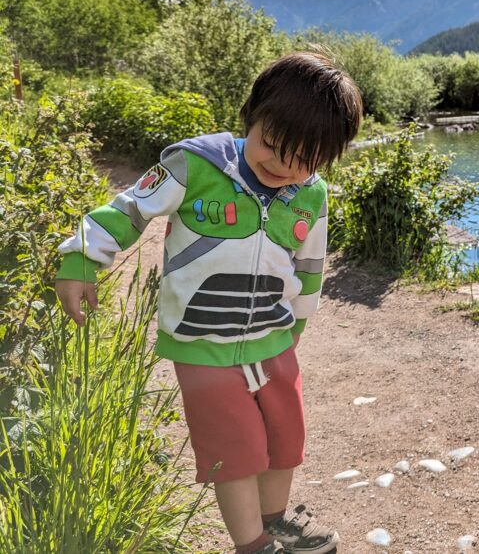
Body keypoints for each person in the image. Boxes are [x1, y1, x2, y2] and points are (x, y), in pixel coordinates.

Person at [55, 50, 363, 554]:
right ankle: (252, 544)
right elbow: (129, 208)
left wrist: (298, 325)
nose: (283, 167)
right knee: (235, 452)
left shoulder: (312, 193)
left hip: (274, 339)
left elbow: (310, 267)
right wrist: (82, 259)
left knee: (285, 441)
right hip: (201, 343)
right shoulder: (195, 164)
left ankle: (278, 519)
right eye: (272, 145)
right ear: (251, 117)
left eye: (303, 160)